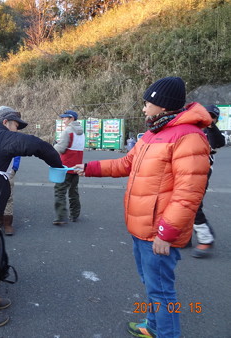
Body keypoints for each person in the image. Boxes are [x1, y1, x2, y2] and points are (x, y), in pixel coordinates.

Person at [75, 77, 211, 338]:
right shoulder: (154, 132)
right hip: (142, 226)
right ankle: (152, 326)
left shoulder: (189, 137)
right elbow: (126, 163)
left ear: (162, 105)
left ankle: (166, 333)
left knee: (161, 290)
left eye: (147, 103)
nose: (143, 108)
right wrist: (89, 168)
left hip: (158, 231)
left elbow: (188, 194)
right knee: (152, 284)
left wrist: (166, 232)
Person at [0, 106, 63, 327]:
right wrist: (58, 164)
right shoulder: (1, 136)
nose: (17, 131)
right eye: (17, 125)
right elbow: (37, 145)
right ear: (7, 122)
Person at [190, 104, 225, 258]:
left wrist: (210, 125)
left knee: (193, 205)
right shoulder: (191, 128)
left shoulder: (211, 132)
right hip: (184, 171)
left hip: (202, 172)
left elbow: (218, 142)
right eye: (205, 114)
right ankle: (183, 238)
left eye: (212, 116)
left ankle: (206, 238)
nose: (208, 117)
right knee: (178, 204)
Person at [53, 110, 85, 225]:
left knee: (60, 191)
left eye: (65, 118)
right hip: (77, 167)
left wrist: (54, 146)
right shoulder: (81, 132)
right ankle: (75, 214)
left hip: (65, 167)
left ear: (71, 119)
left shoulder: (68, 131)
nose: (63, 120)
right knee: (73, 192)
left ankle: (61, 217)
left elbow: (61, 149)